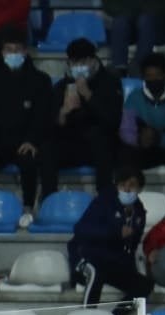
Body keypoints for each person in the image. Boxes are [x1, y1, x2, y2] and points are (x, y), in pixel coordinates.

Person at [0, 29, 50, 229]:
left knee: (29, 160)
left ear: (25, 51)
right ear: (2, 52)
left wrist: (32, 140)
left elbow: (42, 117)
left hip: (27, 142)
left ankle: (28, 208)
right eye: (9, 49)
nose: (13, 54)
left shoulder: (41, 80)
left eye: (18, 49)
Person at [41, 38, 123, 201]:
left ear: (93, 60)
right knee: (47, 148)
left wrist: (88, 95)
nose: (79, 66)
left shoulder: (110, 82)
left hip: (100, 145)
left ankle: (104, 200)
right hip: (72, 144)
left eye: (83, 61)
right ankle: (49, 201)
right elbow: (50, 126)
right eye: (74, 61)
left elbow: (113, 121)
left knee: (102, 140)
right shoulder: (61, 86)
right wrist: (63, 112)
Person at [70, 166, 155, 315]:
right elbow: (80, 230)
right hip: (88, 255)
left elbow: (132, 246)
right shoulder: (104, 201)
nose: (127, 189)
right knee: (96, 273)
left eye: (132, 185)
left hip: (113, 262)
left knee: (145, 285)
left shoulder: (139, 213)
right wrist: (115, 232)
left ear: (140, 188)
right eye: (123, 185)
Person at [122, 52, 165, 206]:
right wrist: (139, 139)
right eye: (148, 76)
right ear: (143, 77)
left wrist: (158, 138)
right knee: (126, 152)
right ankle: (128, 203)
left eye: (157, 75)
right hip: (146, 149)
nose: (153, 80)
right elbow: (126, 130)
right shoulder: (134, 97)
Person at [106, 0, 165, 78]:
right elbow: (109, 5)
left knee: (145, 21)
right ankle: (119, 66)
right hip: (129, 19)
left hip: (159, 24)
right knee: (119, 22)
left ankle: (140, 65)